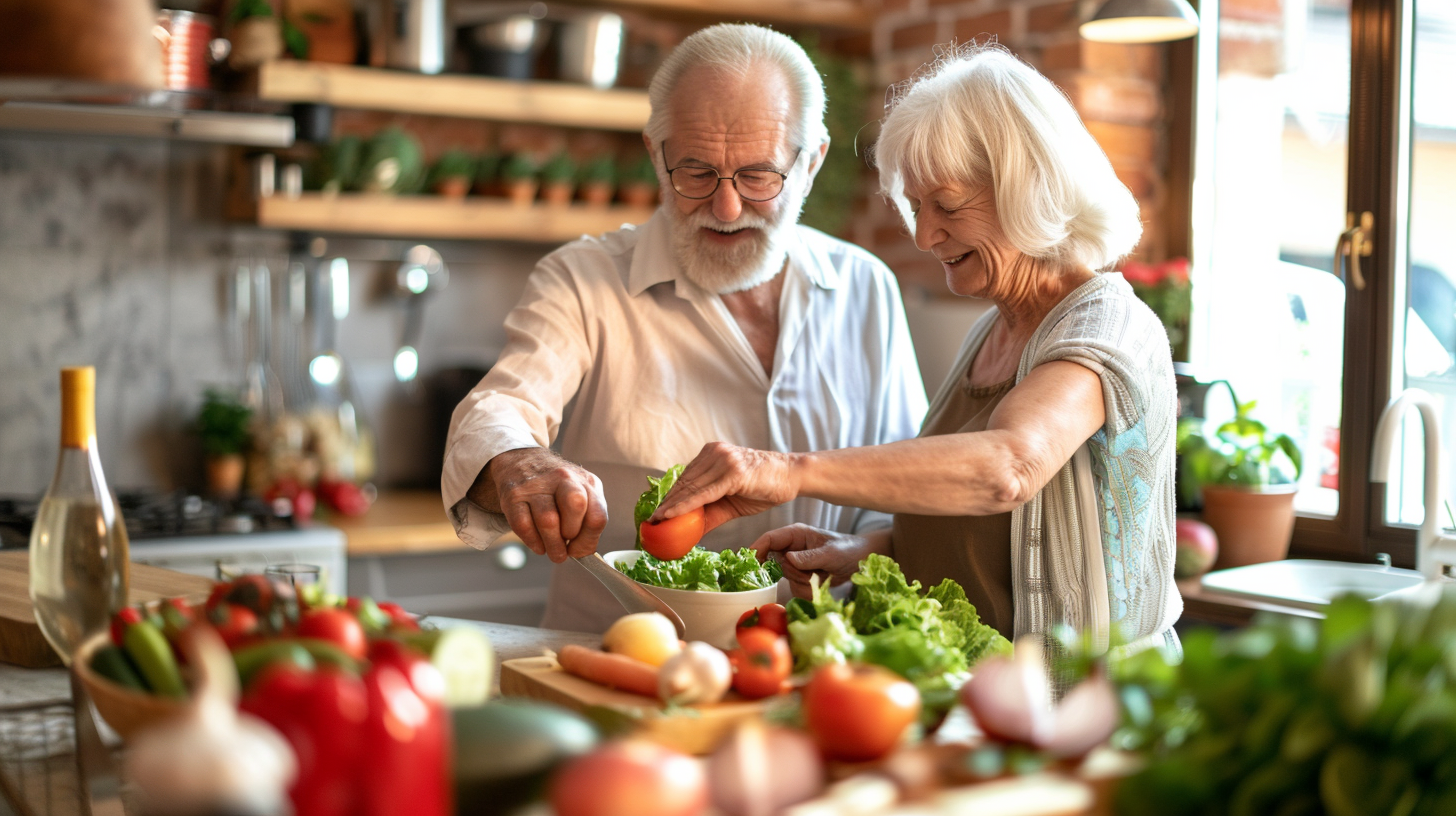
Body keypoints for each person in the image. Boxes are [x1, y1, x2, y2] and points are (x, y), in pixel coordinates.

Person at [652, 43, 1182, 658]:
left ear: (1028, 188)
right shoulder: (995, 329)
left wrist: (785, 471)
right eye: (918, 206)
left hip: (1092, 707)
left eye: (948, 207)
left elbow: (1008, 469)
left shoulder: (1106, 326)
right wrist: (867, 552)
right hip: (986, 696)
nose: (926, 235)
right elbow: (986, 537)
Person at [442, 24, 927, 632]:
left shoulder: (865, 288)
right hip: (620, 665)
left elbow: (909, 488)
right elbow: (498, 408)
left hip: (814, 671)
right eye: (695, 173)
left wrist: (863, 551)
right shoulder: (583, 280)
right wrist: (519, 464)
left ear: (812, 162)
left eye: (758, 175)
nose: (726, 209)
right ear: (655, 154)